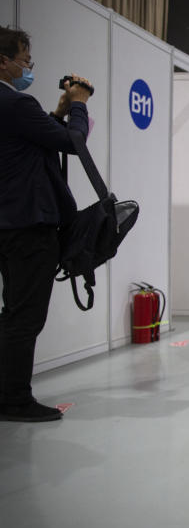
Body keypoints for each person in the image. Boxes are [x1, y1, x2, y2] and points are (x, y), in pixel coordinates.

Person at [0, 27, 94, 422]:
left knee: (13, 312)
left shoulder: (13, 109)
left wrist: (55, 113)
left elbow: (31, 141)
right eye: (24, 60)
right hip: (28, 226)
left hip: (8, 224)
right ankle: (14, 400)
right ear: (2, 61)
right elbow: (73, 142)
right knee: (25, 316)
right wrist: (78, 104)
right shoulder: (16, 103)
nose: (27, 67)